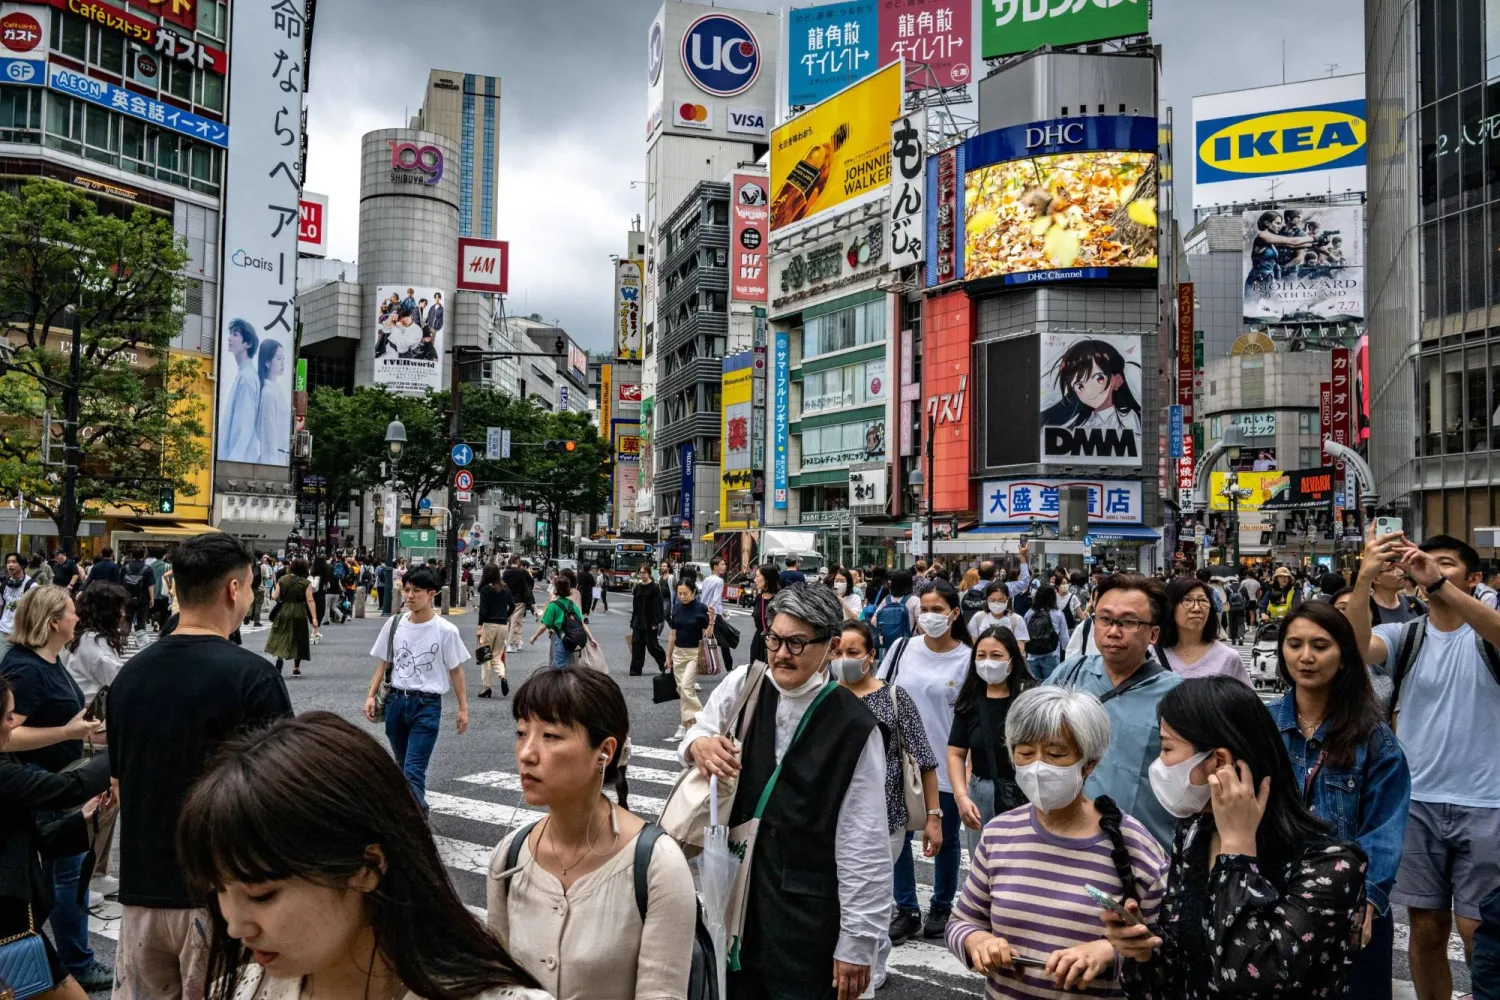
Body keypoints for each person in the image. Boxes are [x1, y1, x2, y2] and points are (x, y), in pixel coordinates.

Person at [177, 712, 547, 1000]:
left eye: (262, 895)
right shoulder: (237, 989)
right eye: (218, 891)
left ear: (367, 867)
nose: (235, 927)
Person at [108, 532, 293, 1000]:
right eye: (250, 587)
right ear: (234, 590)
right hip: (221, 897)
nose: (250, 597)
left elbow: (119, 782)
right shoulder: (253, 677)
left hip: (140, 891)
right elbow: (279, 796)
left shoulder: (129, 677)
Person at [683, 583, 890, 1000]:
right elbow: (698, 733)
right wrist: (698, 746)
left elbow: (863, 843)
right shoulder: (746, 685)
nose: (780, 654)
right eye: (774, 639)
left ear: (831, 648)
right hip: (739, 895)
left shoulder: (854, 727)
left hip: (809, 913)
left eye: (796, 643)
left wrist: (857, 943)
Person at [1100, 676, 1368, 998]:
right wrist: (1144, 953)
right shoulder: (1195, 834)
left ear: (1220, 761)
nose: (1159, 764)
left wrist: (1238, 851)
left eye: (1168, 748)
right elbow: (1187, 966)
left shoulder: (1330, 865)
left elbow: (1249, 978)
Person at [1349, 532, 1500, 1000]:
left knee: (1481, 932)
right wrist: (1364, 577)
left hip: (1488, 802)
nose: (1427, 568)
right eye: (1422, 562)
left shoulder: (1486, 632)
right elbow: (1355, 649)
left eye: (1446, 564)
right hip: (1417, 803)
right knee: (1427, 928)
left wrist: (1437, 584)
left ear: (1474, 578)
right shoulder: (1406, 635)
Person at [946, 687, 1170, 997]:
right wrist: (977, 943)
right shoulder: (999, 834)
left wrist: (1108, 952)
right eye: (1025, 753)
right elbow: (963, 921)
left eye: (1055, 754)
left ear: (1089, 762)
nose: (1038, 767)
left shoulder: (1135, 846)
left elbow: (1167, 948)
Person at [488, 667, 696, 999]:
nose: (526, 753)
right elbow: (495, 984)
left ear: (605, 751)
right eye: (521, 733)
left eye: (550, 736)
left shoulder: (658, 867)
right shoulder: (509, 857)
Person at [1268, 601, 1411, 999]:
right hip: (1274, 895)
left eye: (1320, 645)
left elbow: (1385, 827)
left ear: (1345, 656)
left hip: (1348, 905)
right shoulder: (1260, 724)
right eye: (1294, 644)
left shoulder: (1375, 739)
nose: (1306, 657)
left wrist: (1367, 895)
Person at [0, 585, 109, 991]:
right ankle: (72, 960)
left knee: (68, 872)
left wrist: (86, 733)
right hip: (43, 785)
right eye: (71, 612)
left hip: (59, 775)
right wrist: (69, 730)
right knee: (66, 873)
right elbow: (12, 734)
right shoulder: (27, 668)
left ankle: (62, 957)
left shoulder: (48, 661)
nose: (77, 618)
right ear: (53, 623)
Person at [1048, 574, 1183, 848]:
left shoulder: (1177, 697)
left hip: (1142, 848)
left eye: (1129, 622)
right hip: (1066, 840)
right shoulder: (1068, 674)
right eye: (1105, 619)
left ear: (1153, 634)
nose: (1113, 631)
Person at [879, 578, 971, 943]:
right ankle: (906, 907)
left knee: (946, 838)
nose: (930, 616)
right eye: (925, 610)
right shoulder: (902, 648)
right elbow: (880, 694)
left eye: (938, 610)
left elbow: (972, 716)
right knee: (899, 835)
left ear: (954, 614)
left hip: (947, 762)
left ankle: (942, 904)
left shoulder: (968, 657)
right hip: (900, 760)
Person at [363, 566, 471, 816]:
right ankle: (410, 817)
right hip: (396, 702)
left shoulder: (445, 630)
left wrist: (463, 709)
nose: (409, 596)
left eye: (417, 591)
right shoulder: (395, 624)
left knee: (413, 770)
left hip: (427, 705)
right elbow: (384, 662)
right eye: (407, 590)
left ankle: (415, 822)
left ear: (431, 593)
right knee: (402, 765)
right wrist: (371, 695)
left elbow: (456, 671)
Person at [948, 626, 1039, 857]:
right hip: (982, 796)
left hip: (1027, 793)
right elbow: (956, 753)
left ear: (1012, 659)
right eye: (981, 656)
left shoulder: (1033, 698)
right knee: (983, 864)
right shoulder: (970, 700)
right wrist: (961, 797)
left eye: (996, 656)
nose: (988, 662)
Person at [1159, 577, 1253, 685]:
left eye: (1203, 601)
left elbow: (1248, 700)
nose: (1196, 608)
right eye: (1187, 600)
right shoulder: (1150, 655)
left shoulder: (1228, 657)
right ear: (1171, 607)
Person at [64, 581, 130, 705]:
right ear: (107, 611)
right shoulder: (95, 646)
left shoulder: (87, 636)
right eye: (119, 608)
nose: (123, 614)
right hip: (86, 710)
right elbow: (121, 682)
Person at [664, 578, 712, 742]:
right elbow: (672, 634)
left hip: (695, 653)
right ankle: (686, 725)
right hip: (678, 653)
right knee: (683, 690)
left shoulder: (701, 608)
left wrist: (711, 621)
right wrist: (668, 656)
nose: (682, 596)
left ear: (693, 592)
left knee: (685, 687)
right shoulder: (676, 608)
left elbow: (708, 635)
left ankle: (704, 719)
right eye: (679, 593)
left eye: (685, 593)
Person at [530, 571, 598, 670]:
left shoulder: (553, 605)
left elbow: (544, 625)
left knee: (557, 668)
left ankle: (563, 684)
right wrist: (591, 639)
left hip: (559, 637)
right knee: (565, 665)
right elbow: (582, 623)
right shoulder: (571, 604)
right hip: (571, 638)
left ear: (556, 589)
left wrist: (534, 637)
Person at [263, 556, 317, 676]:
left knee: (282, 635)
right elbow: (310, 600)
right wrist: (314, 618)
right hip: (299, 611)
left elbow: (275, 597)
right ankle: (296, 667)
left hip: (284, 610)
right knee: (299, 638)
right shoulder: (306, 583)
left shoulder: (282, 580)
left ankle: (279, 659)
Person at [221, 318, 263, 463]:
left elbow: (244, 426)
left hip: (237, 464)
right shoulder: (244, 375)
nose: (230, 338)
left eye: (235, 334)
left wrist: (232, 462)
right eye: (231, 334)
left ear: (248, 343)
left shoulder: (247, 378)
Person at [476, 564, 514, 699]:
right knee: (497, 655)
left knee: (485, 656)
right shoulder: (505, 587)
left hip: (488, 625)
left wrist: (480, 626)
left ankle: (487, 687)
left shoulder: (486, 589)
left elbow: (483, 610)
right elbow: (513, 606)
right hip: (503, 625)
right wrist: (505, 616)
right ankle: (502, 676)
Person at [966, 579, 1030, 654]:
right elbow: (973, 645)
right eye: (992, 600)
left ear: (1007, 599)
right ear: (987, 599)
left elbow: (1020, 648)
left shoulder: (1016, 620)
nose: (996, 604)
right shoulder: (978, 618)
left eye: (1001, 600)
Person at [1022, 584, 1069, 680]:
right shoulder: (1058, 614)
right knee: (1050, 688)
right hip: (1051, 655)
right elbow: (1064, 638)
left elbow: (1024, 635)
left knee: (1035, 688)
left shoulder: (1029, 613)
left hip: (1032, 656)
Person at [628, 564, 666, 676]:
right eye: (640, 572)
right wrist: (632, 622)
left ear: (649, 573)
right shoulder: (638, 587)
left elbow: (658, 605)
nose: (642, 574)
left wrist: (656, 622)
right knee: (636, 645)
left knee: (652, 646)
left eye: (644, 572)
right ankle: (635, 669)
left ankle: (665, 663)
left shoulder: (655, 587)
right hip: (638, 621)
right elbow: (634, 606)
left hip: (650, 621)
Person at [701, 556, 734, 671]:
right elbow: (715, 599)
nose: (725, 567)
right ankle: (729, 668)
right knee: (725, 641)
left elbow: (704, 597)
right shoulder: (719, 581)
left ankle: (702, 664)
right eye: (722, 564)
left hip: (704, 612)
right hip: (714, 614)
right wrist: (716, 614)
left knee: (704, 639)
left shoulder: (706, 579)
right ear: (715, 567)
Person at [1, 551, 40, 643]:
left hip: (22, 634)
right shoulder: (4, 584)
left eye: (14, 562)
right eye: (8, 562)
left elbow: (36, 612)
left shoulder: (32, 586)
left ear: (22, 565)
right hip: (4, 631)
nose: (10, 565)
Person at [748, 564, 780, 665]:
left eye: (757, 576)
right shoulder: (759, 598)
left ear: (767, 578)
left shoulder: (780, 599)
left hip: (775, 642)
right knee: (756, 674)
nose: (755, 580)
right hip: (758, 642)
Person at [502, 556, 533, 652]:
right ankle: (511, 643)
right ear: (518, 561)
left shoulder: (506, 572)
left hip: (508, 599)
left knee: (511, 621)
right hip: (520, 599)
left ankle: (515, 641)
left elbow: (502, 584)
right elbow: (530, 582)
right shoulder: (522, 572)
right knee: (517, 622)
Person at [121, 548, 154, 633]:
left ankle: (124, 635)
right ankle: (140, 639)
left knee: (127, 618)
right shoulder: (148, 569)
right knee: (141, 619)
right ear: (143, 556)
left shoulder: (125, 568)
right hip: (143, 598)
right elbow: (150, 585)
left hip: (127, 597)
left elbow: (120, 584)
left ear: (132, 556)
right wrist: (152, 598)